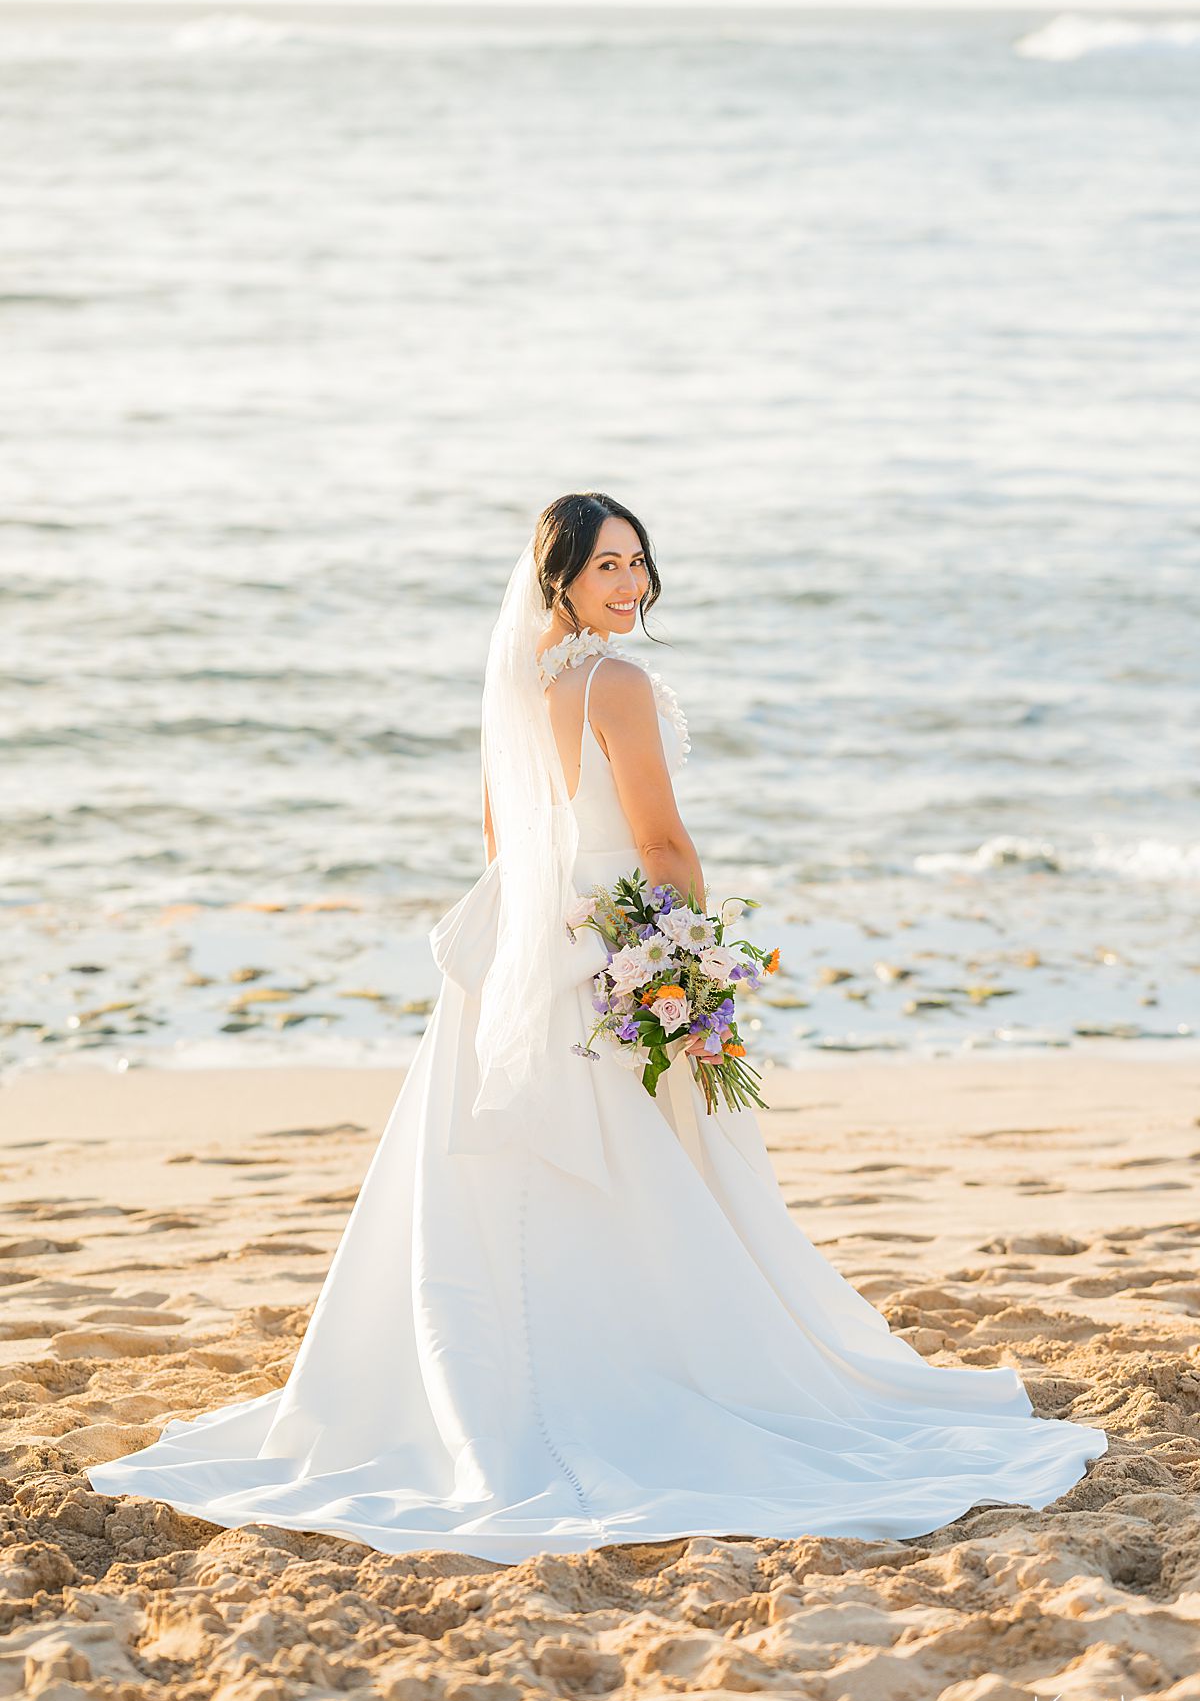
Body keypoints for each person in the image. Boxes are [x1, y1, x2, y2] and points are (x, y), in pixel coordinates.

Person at [84, 491, 1107, 1563]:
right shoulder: (614, 681)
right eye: (608, 567)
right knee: (641, 1169)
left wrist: (562, 934)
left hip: (534, 942)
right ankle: (641, 1369)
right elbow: (662, 839)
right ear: (559, 577)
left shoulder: (521, 680)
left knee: (506, 1178)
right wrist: (689, 959)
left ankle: (508, 1383)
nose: (630, 585)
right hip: (612, 944)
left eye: (638, 563)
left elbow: (499, 835)